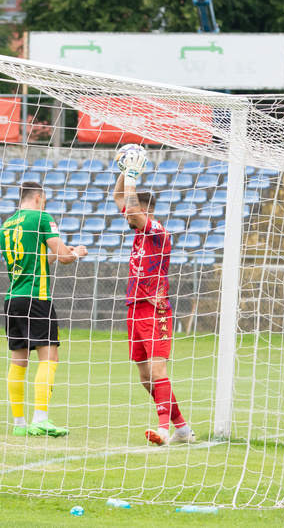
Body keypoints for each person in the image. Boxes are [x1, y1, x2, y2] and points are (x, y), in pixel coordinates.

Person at [112, 147, 195, 446]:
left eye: (133, 215)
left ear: (146, 212)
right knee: (146, 378)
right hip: (134, 308)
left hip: (155, 308)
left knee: (158, 371)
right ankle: (182, 429)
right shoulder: (138, 228)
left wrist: (133, 176)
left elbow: (131, 207)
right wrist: (125, 171)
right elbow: (119, 199)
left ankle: (162, 429)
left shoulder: (157, 229)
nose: (127, 219)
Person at [0, 181, 88, 437]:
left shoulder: (6, 226)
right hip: (37, 297)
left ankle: (19, 424)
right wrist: (76, 252)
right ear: (38, 197)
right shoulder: (42, 217)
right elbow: (64, 258)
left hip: (12, 297)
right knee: (49, 357)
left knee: (18, 360)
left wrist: (62, 252)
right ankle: (41, 418)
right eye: (45, 200)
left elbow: (36, 260)